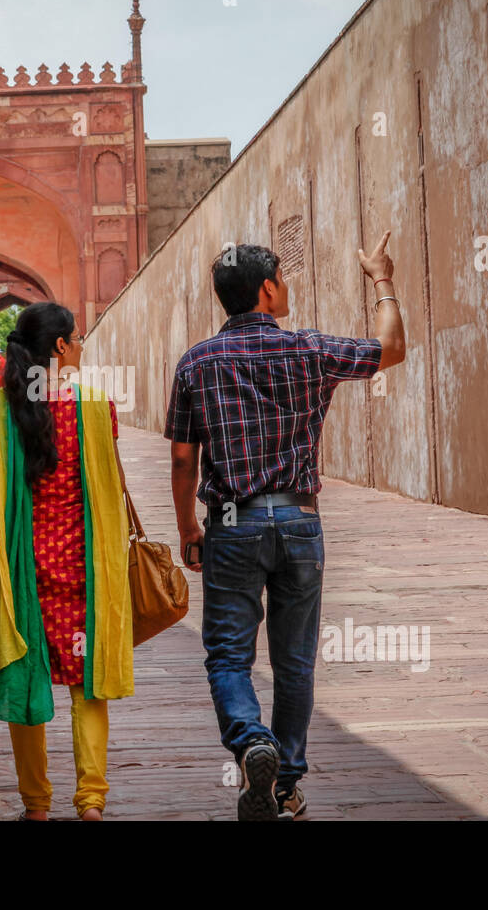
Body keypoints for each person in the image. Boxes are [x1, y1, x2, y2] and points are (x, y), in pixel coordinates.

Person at [166, 234, 405, 821]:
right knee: (294, 661)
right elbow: (390, 348)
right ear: (268, 289)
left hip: (230, 522)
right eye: (283, 277)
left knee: (228, 656)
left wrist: (188, 530)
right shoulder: (309, 350)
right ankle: (286, 786)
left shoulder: (197, 361)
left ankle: (252, 743)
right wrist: (381, 280)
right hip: (299, 519)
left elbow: (181, 459)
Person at [0, 302, 132, 821]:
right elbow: (112, 484)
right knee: (87, 681)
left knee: (23, 675)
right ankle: (91, 800)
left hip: (23, 570)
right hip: (85, 567)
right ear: (59, 347)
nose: (80, 347)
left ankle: (36, 805)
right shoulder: (95, 405)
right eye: (76, 339)